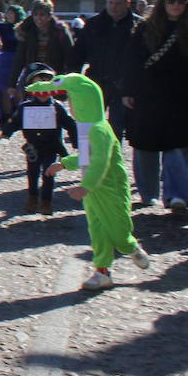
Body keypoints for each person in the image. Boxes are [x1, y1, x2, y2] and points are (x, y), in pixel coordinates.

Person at [38, 72, 151, 291]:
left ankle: (132, 248)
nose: (70, 105)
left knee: (118, 233)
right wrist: (64, 164)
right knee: (97, 231)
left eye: (72, 100)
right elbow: (86, 156)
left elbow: (99, 161)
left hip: (110, 189)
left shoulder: (99, 130)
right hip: (92, 191)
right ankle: (102, 272)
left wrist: (85, 187)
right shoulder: (85, 128)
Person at [122, 0, 188, 211]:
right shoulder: (144, 28)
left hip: (181, 96)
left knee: (178, 145)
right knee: (146, 145)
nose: (175, 5)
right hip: (147, 94)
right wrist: (128, 91)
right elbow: (132, 62)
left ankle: (176, 194)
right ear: (162, 1)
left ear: (187, 3)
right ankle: (148, 193)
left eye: (181, 0)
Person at [0, 62, 78, 215]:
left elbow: (70, 124)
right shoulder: (25, 107)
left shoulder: (57, 107)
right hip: (33, 147)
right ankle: (33, 197)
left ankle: (46, 200)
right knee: (32, 172)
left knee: (49, 172)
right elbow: (15, 121)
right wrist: (6, 134)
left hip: (52, 146)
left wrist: (76, 142)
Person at [68, 0, 137, 143]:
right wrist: (73, 81)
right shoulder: (94, 25)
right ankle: (91, 164)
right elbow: (78, 53)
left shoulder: (137, 28)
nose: (113, 7)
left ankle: (112, 164)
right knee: (89, 127)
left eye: (118, 3)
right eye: (110, 2)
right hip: (95, 82)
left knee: (116, 129)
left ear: (127, 3)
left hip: (122, 86)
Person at [8, 0, 73, 94]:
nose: (38, 18)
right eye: (35, 14)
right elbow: (19, 59)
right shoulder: (26, 30)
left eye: (42, 14)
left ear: (50, 16)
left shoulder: (60, 31)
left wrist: (72, 81)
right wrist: (12, 84)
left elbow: (71, 57)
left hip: (55, 78)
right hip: (33, 78)